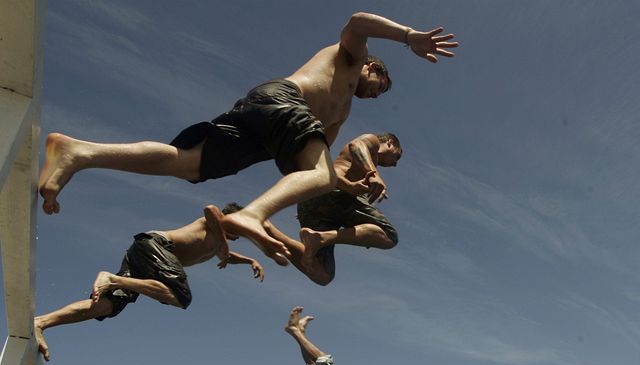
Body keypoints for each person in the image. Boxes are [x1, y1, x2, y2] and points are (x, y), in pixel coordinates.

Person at [38, 12, 457, 263]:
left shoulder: (342, 112)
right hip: (284, 101)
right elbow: (356, 21)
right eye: (378, 88)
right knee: (320, 175)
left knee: (186, 163)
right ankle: (252, 215)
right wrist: (407, 36)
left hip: (265, 125)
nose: (374, 95)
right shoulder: (352, 57)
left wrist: (347, 184)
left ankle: (79, 152)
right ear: (374, 70)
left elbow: (312, 165)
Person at [34, 204, 264, 361]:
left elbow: (228, 256)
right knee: (181, 296)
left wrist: (250, 261)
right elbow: (210, 209)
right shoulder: (214, 223)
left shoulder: (217, 244)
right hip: (155, 246)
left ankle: (41, 322)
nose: (236, 237)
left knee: (107, 306)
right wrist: (224, 244)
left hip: (144, 255)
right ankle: (113, 279)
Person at [264, 132, 401, 285]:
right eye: (397, 156)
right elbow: (357, 146)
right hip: (333, 190)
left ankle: (270, 230)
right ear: (390, 143)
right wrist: (374, 175)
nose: (395, 164)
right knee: (389, 236)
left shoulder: (367, 164)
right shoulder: (372, 142)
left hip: (310, 202)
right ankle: (324, 238)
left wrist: (367, 236)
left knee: (323, 275)